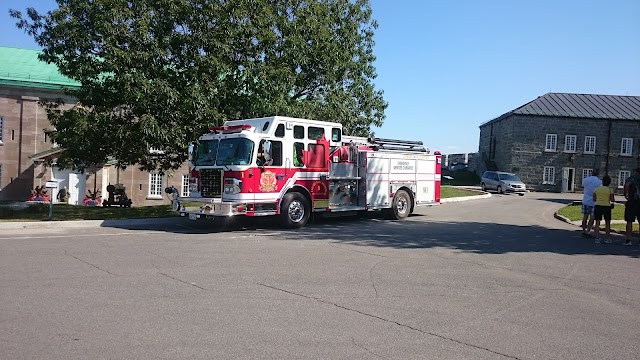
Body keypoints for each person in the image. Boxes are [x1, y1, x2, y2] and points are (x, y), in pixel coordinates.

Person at [592, 175, 614, 244]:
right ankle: (607, 238)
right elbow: (612, 199)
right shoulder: (610, 190)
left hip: (598, 205)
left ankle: (597, 238)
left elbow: (594, 199)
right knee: (607, 223)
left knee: (597, 222)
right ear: (609, 183)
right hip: (607, 206)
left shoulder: (597, 189)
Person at [581, 168, 602, 238]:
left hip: (585, 200)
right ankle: (588, 230)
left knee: (585, 216)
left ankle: (583, 230)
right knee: (592, 218)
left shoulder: (586, 180)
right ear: (598, 174)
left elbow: (583, 186)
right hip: (594, 202)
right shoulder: (599, 182)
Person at [623, 168, 640, 246]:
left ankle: (628, 239)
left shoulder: (632, 179)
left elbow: (627, 185)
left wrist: (626, 194)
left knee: (629, 221)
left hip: (632, 201)